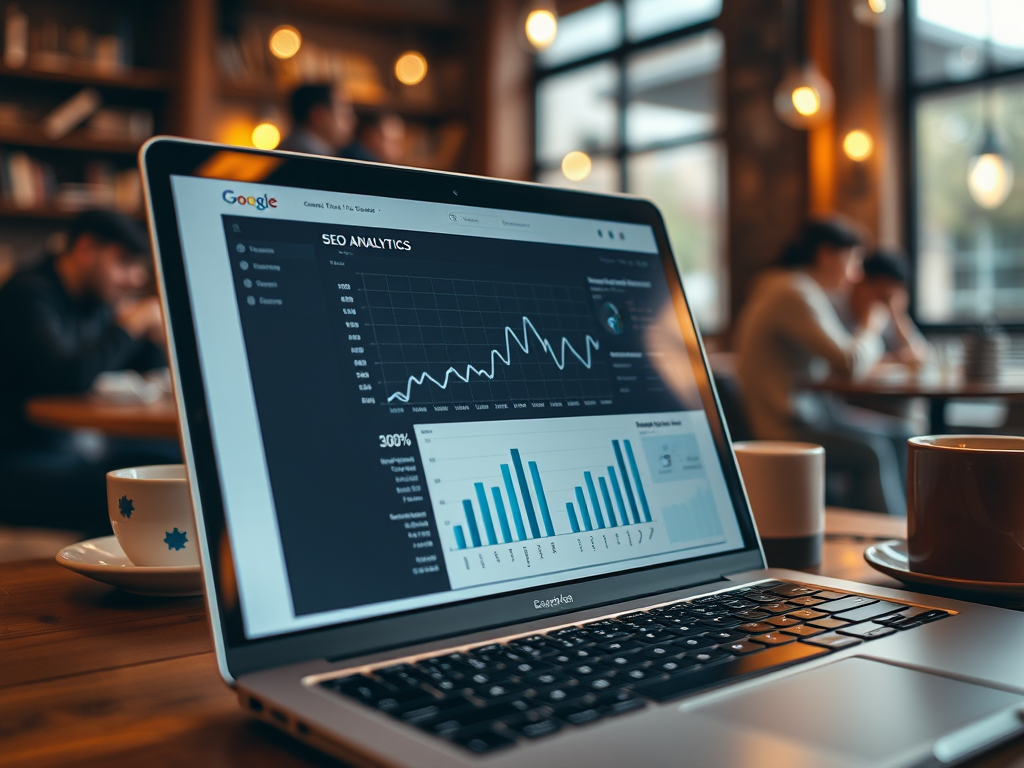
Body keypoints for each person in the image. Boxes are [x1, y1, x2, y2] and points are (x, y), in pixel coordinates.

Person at [0, 210, 174, 535]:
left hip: (71, 449)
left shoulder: (94, 304)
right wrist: (132, 322)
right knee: (122, 491)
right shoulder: (27, 295)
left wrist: (152, 336)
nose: (135, 278)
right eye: (124, 263)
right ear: (85, 249)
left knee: (174, 461)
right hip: (16, 458)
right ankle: (109, 575)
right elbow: (69, 374)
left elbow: (145, 369)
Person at [734, 218, 911, 515]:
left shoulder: (793, 287)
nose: (856, 275)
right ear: (827, 255)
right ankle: (890, 541)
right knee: (872, 451)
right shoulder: (793, 291)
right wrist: (871, 325)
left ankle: (905, 528)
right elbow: (850, 362)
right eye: (853, 261)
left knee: (901, 433)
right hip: (783, 425)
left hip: (809, 415)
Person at [844, 250, 930, 367]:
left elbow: (921, 356)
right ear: (861, 282)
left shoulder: (886, 313)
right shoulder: (836, 310)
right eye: (881, 296)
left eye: (889, 298)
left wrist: (899, 317)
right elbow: (848, 363)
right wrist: (868, 328)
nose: (883, 304)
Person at [279, 83, 358, 157]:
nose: (354, 121)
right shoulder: (306, 161)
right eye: (345, 114)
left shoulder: (290, 151)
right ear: (318, 116)